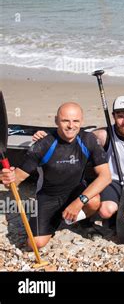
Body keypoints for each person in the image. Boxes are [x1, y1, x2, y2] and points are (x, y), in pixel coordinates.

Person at [32, 96, 124, 230]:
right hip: (114, 182)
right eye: (120, 116)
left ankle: (119, 215)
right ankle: (103, 217)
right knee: (105, 211)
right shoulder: (103, 134)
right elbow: (72, 133)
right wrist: (47, 136)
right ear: (113, 116)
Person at [0, 103, 111, 249]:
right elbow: (15, 181)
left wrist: (78, 202)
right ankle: (60, 218)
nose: (71, 126)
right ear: (56, 120)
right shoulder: (42, 145)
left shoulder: (88, 140)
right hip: (48, 197)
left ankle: (82, 221)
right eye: (65, 121)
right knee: (35, 244)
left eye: (76, 121)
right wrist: (7, 178)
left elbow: (106, 176)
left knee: (94, 201)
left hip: (76, 192)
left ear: (81, 121)